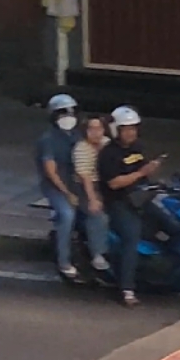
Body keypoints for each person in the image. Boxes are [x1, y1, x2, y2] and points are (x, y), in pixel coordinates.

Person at [97, 105, 163, 307]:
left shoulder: (138, 147)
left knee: (172, 223)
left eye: (134, 128)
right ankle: (126, 289)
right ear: (116, 130)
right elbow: (114, 183)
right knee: (131, 238)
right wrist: (141, 174)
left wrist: (152, 171)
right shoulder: (109, 154)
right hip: (118, 202)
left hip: (140, 197)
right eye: (126, 128)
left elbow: (143, 172)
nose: (131, 132)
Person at [36, 92, 81, 282]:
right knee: (67, 215)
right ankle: (64, 261)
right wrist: (67, 193)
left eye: (71, 112)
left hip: (76, 184)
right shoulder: (48, 140)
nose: (68, 117)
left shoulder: (77, 136)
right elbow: (51, 172)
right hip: (56, 187)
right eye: (63, 113)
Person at [72, 113, 111, 274]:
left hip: (104, 184)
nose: (96, 132)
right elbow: (85, 177)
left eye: (99, 128)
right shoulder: (81, 149)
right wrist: (93, 200)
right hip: (84, 186)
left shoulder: (107, 143)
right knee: (98, 215)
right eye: (91, 129)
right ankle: (98, 254)